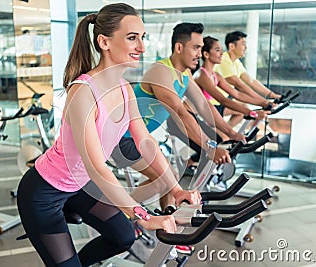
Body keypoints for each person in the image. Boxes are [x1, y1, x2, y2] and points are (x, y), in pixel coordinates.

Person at [17, 4, 201, 267]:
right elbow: (96, 168)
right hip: (43, 193)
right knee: (129, 228)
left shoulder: (125, 89)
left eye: (142, 38)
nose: (142, 47)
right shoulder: (83, 92)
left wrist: (176, 188)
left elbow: (145, 142)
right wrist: (144, 216)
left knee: (124, 237)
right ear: (104, 42)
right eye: (132, 38)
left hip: (78, 187)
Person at [111, 22, 246, 209]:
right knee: (163, 180)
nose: (199, 53)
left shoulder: (185, 74)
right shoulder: (161, 72)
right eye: (196, 48)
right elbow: (180, 112)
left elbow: (203, 104)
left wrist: (231, 133)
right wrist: (210, 147)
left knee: (171, 177)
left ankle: (166, 221)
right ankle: (120, 215)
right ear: (179, 47)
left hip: (138, 137)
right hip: (121, 138)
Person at [193, 36, 272, 141]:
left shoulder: (215, 75)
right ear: (206, 54)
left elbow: (237, 94)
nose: (221, 53)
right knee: (225, 139)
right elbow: (223, 100)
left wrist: (263, 103)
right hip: (198, 116)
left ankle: (225, 133)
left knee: (227, 139)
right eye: (217, 50)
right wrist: (252, 113)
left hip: (210, 113)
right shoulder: (201, 75)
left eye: (221, 50)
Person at [214, 31, 281, 101]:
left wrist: (272, 95)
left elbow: (251, 81)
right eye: (243, 44)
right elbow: (239, 85)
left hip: (223, 100)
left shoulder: (236, 62)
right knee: (244, 107)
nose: (246, 47)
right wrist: (262, 101)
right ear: (232, 46)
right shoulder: (224, 60)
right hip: (215, 102)